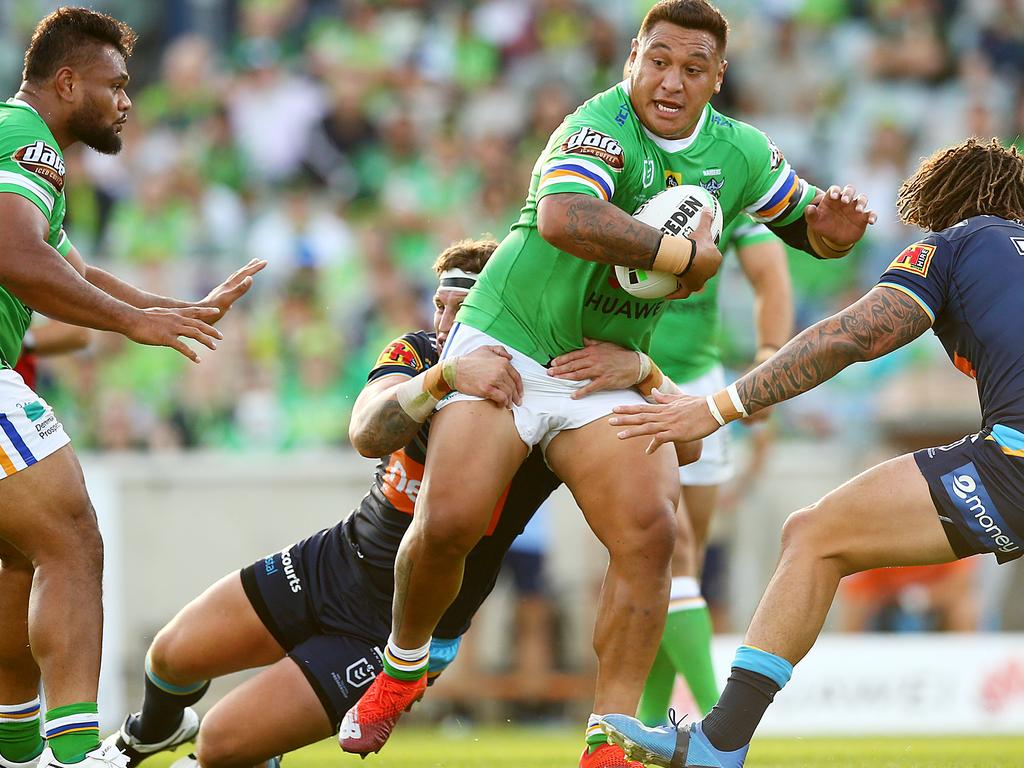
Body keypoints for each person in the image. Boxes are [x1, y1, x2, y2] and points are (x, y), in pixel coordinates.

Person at [341, 2, 874, 765]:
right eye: (658, 60)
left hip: (606, 366)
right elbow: (564, 217)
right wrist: (681, 256)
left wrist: (836, 231)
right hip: (513, 338)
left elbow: (808, 228)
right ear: (633, 57)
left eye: (693, 68)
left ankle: (609, 739)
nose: (670, 80)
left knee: (653, 533)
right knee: (454, 518)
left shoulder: (742, 152)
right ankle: (400, 666)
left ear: (716, 79)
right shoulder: (597, 125)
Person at [104, 239, 672, 768]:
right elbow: (367, 432)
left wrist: (645, 370)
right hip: (337, 560)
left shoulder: (555, 385)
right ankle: (147, 734)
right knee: (170, 656)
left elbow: (685, 444)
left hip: (404, 622)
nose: (450, 324)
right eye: (442, 307)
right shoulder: (422, 352)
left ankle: (262, 741)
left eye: (467, 307)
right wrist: (443, 378)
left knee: (223, 745)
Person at [600, 136, 1024, 767]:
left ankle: (721, 742)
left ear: (948, 199)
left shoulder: (957, 244)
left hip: (1013, 461)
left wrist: (716, 408)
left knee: (815, 535)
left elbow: (848, 336)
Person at [0, 9, 264, 768]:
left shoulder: (20, 146)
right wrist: (130, 323)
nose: (126, 103)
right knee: (72, 539)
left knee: (24, 551)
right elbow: (15, 255)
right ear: (67, 81)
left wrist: (167, 309)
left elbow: (70, 271)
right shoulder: (29, 144)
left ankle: (18, 746)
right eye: (115, 86)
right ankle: (78, 752)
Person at [551, 214, 792, 722]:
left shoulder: (729, 188)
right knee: (672, 551)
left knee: (681, 571)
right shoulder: (616, 182)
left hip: (702, 389)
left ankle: (649, 725)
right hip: (626, 383)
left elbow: (771, 275)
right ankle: (719, 726)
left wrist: (769, 356)